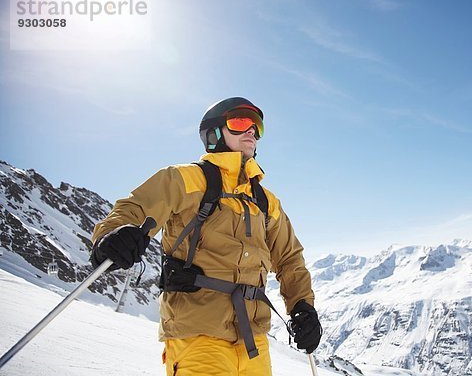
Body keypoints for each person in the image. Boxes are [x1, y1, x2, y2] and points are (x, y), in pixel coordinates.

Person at [90, 97, 322, 376]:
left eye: (256, 126)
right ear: (214, 134)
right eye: (240, 122)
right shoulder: (186, 179)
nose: (251, 131)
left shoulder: (265, 201)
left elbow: (289, 260)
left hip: (254, 341)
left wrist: (302, 307)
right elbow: (133, 209)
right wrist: (111, 238)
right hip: (198, 335)